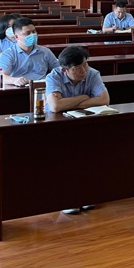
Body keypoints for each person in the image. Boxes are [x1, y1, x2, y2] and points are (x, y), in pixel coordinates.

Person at [45, 45, 109, 215]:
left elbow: (104, 99)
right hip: (56, 125)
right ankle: (67, 197)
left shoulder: (92, 73)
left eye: (85, 64)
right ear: (65, 70)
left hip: (83, 123)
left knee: (92, 151)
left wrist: (68, 102)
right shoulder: (53, 77)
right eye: (78, 68)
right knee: (66, 153)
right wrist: (83, 97)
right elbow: (55, 106)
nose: (84, 70)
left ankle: (86, 193)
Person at [0, 17, 59, 86]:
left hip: (42, 86)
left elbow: (58, 70)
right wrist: (15, 80)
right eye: (28, 33)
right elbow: (1, 77)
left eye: (34, 32)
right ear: (16, 37)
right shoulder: (7, 55)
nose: (32, 35)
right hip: (19, 87)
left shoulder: (45, 52)